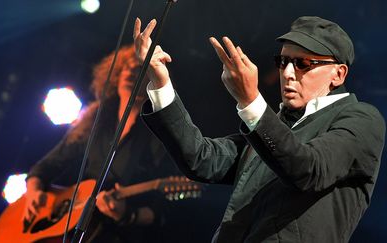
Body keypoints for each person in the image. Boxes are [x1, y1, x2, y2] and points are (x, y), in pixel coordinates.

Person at [133, 16, 386, 242]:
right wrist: (160, 81)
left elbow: (309, 169)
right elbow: (202, 158)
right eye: (283, 61)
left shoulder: (361, 118)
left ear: (338, 74)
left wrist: (251, 101)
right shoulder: (275, 124)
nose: (287, 73)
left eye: (303, 64)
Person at [23, 44, 180, 242]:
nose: (131, 70)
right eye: (126, 66)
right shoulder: (95, 120)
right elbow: (44, 167)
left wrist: (127, 214)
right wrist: (33, 192)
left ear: (153, 80)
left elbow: (161, 212)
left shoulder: (158, 137)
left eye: (139, 68)